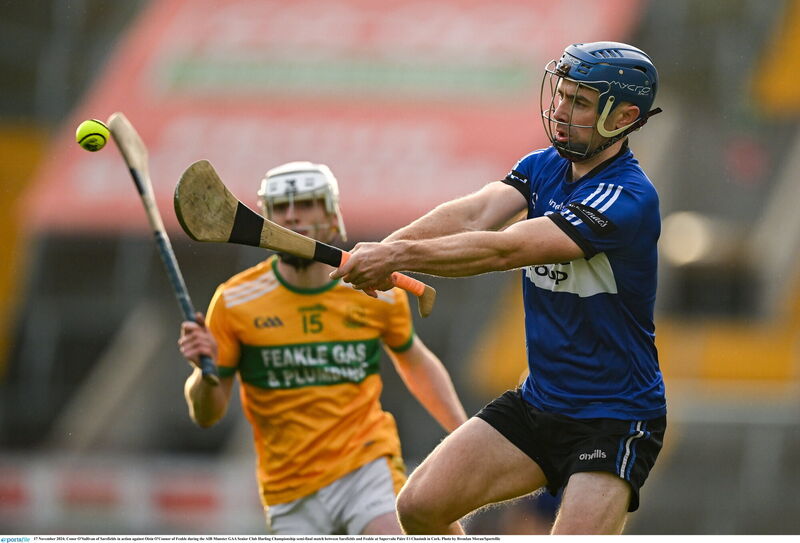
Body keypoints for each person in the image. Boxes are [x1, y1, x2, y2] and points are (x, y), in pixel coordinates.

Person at [331, 41, 667, 535]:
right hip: (539, 403)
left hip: (615, 418)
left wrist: (397, 258)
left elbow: (503, 249)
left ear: (624, 117)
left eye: (579, 103)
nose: (559, 112)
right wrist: (386, 248)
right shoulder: (542, 167)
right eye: (562, 96)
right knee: (420, 507)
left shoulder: (626, 198)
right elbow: (473, 213)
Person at [178, 161, 467, 535]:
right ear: (264, 219)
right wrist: (205, 373)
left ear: (333, 216)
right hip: (289, 489)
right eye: (281, 207)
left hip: (366, 465)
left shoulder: (374, 291)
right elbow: (206, 415)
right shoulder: (234, 301)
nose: (293, 216)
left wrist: (462, 434)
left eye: (307, 204)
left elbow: (415, 361)